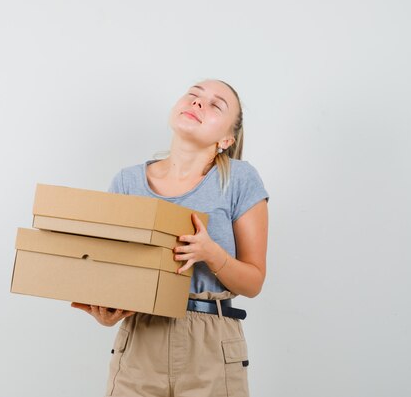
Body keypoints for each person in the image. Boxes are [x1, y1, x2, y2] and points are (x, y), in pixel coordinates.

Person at [72, 79, 269, 397]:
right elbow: (110, 272)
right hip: (141, 341)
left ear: (226, 139)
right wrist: (107, 311)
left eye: (216, 105)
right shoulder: (127, 182)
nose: (198, 103)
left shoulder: (239, 179)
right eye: (193, 94)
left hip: (211, 345)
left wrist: (211, 253)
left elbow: (254, 282)